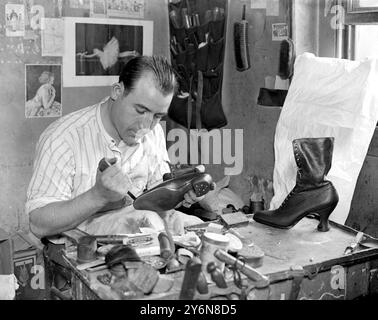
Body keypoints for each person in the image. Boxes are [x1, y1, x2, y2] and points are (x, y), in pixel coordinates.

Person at [26, 55, 204, 238]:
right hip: (81, 252)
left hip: (139, 240)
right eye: (140, 111)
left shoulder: (154, 131)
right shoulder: (63, 139)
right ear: (117, 91)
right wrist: (97, 196)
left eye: (158, 116)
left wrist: (181, 191)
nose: (147, 125)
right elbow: (39, 224)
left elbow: (156, 195)